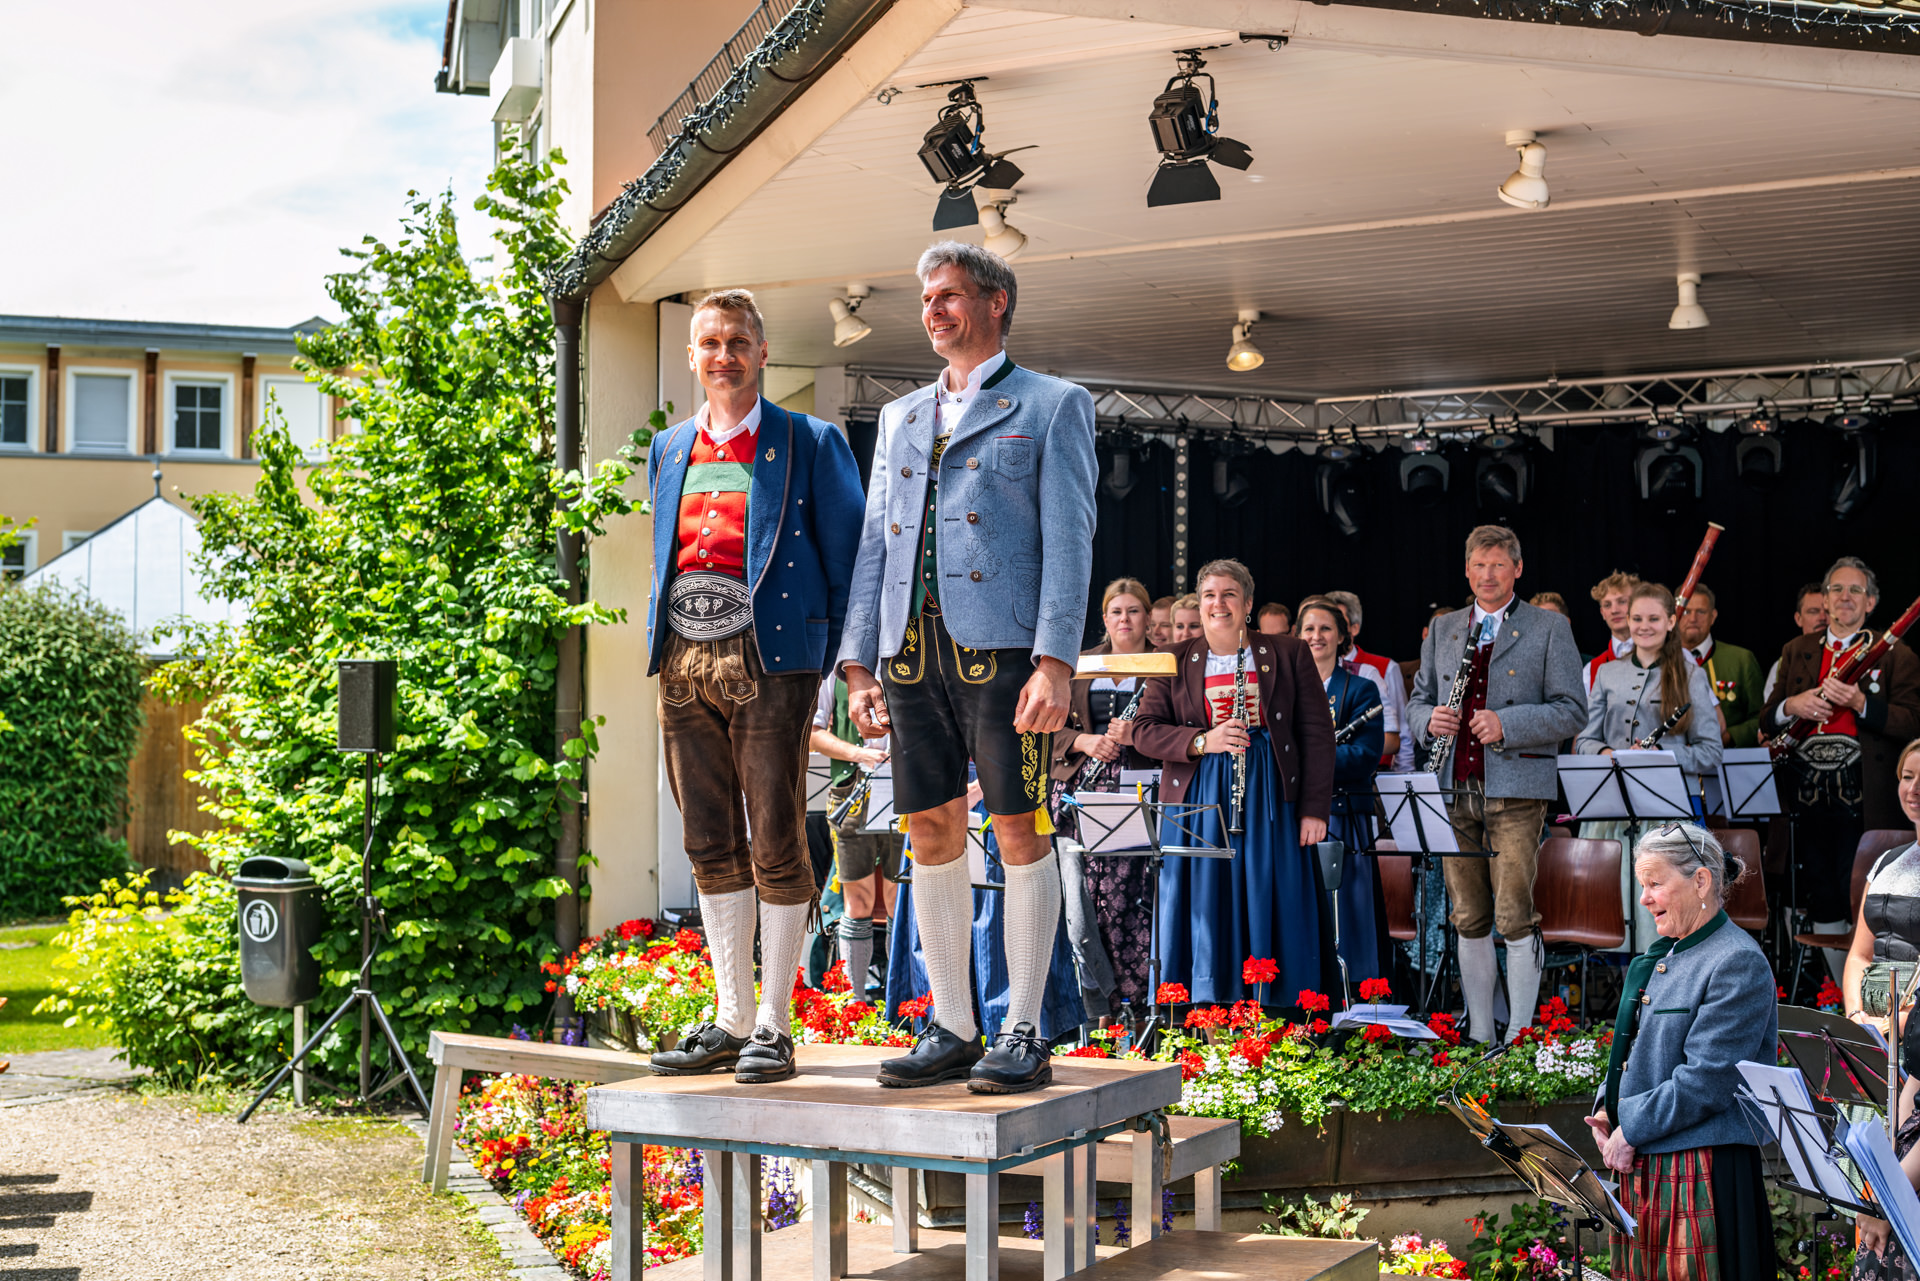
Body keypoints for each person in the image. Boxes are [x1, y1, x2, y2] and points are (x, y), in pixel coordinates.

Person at [839, 240, 1098, 1094]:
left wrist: (1055, 662)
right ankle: (951, 1022)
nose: (934, 311)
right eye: (927, 299)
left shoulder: (1054, 403)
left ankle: (1023, 1025)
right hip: (910, 652)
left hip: (1006, 653)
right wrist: (858, 663)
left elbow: (1070, 542)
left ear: (996, 302)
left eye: (949, 295)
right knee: (929, 828)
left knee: (1019, 828)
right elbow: (875, 543)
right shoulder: (901, 415)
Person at [644, 289, 865, 1083]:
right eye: (710, 343)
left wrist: (836, 662)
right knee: (706, 836)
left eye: (738, 342)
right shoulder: (669, 447)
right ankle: (732, 1016)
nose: (724, 356)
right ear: (693, 355)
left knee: (776, 834)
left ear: (762, 353)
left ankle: (775, 1021)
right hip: (682, 659)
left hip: (773, 660)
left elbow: (850, 564)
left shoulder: (811, 441)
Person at [1408, 525, 1586, 1044]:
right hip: (1453, 789)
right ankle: (1483, 1035)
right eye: (1479, 565)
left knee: (1513, 914)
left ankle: (1520, 1038)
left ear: (1517, 569)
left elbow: (1573, 710)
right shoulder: (1443, 627)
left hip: (1516, 790)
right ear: (1467, 570)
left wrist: (1508, 724)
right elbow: (1418, 699)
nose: (1488, 575)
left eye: (1499, 565)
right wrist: (1428, 721)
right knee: (1467, 915)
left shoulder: (1548, 627)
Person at [1133, 559, 1334, 1003]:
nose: (1218, 603)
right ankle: (1205, 1005)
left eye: (1229, 594)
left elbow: (1317, 734)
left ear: (1247, 603)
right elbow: (1143, 730)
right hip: (1199, 796)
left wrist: (1314, 810)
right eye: (1209, 595)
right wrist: (1202, 741)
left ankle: (1278, 1008)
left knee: (1270, 891)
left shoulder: (1288, 652)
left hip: (1269, 793)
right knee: (1206, 898)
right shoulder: (1174, 659)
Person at [1586, 824, 1776, 1281]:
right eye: (1642, 885)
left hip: (1702, 1171)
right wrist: (1607, 1110)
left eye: (1655, 883)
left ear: (1701, 881)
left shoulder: (1736, 961)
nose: (1644, 899)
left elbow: (1706, 1081)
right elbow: (1634, 1051)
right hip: (1651, 1157)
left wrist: (1629, 1127)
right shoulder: (1666, 954)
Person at [1764, 557, 1920, 979]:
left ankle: (1866, 991)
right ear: (1826, 598)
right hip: (1806, 795)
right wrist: (1791, 705)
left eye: (1855, 590)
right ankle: (1837, 991)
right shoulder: (1796, 650)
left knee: (1864, 894)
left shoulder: (1897, 655)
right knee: (1821, 894)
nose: (1845, 597)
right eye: (1837, 589)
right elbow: (1767, 718)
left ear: (1870, 602)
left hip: (1865, 798)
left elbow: (1912, 723)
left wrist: (1860, 703)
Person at [1578, 582, 1723, 950]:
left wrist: (1662, 757)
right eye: (1637, 618)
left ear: (1671, 621)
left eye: (1654, 619)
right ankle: (1619, 980)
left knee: (1657, 917)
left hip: (1666, 817)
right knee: (1611, 914)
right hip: (1613, 810)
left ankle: (1659, 973)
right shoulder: (1607, 673)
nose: (1644, 626)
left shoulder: (1690, 674)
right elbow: (1584, 740)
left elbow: (1711, 752)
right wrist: (1606, 753)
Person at [1052, 577, 1157, 1026]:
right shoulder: (1079, 664)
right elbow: (1045, 728)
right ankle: (1100, 1008)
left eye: (1133, 611)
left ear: (1147, 617)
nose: (1125, 619)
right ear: (1104, 618)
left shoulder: (1163, 664)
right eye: (1117, 611)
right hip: (1080, 790)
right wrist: (1084, 741)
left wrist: (1138, 735)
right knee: (1080, 910)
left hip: (1138, 790)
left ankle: (1135, 1009)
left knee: (1130, 905)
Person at [1849, 743, 1920, 1278]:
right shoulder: (1886, 862)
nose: (1914, 789)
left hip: (1914, 1037)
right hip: (1874, 1033)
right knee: (1867, 1181)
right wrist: (1858, 1018)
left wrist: (1898, 1023)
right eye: (1907, 776)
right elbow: (1859, 953)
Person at [1297, 595, 1388, 983]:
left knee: (1347, 912)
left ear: (1341, 636)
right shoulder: (1282, 691)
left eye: (1325, 628)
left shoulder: (1361, 689)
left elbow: (1365, 756)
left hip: (1342, 816)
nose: (1316, 636)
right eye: (1308, 628)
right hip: (1292, 818)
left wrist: (1304, 760)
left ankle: (1353, 994)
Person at [810, 675, 901, 998]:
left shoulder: (904, 657)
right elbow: (813, 734)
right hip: (851, 791)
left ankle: (898, 997)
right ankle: (855, 1001)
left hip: (901, 790)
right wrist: (858, 754)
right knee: (857, 900)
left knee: (897, 899)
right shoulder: (834, 671)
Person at [1323, 589, 1408, 774]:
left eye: (1334, 623)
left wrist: (1404, 777)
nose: (1320, 634)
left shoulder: (1380, 669)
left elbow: (1402, 731)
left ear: (1353, 628)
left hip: (1374, 774)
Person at [1676, 583, 1765, 748]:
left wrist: (1729, 737)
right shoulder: (1660, 663)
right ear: (1674, 616)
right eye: (1686, 612)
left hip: (1729, 758)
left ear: (1713, 616)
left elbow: (1761, 718)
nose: (1693, 619)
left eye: (1701, 612)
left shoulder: (1741, 660)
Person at [1764, 582, 1830, 701]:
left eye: (1828, 611)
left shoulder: (1849, 657)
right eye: (1813, 611)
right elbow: (1770, 709)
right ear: (1798, 619)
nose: (1822, 618)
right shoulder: (1783, 665)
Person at [1585, 570, 1639, 697]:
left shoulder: (1664, 657)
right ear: (1602, 613)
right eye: (1607, 605)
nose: (1614, 610)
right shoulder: (1590, 670)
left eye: (1622, 601)